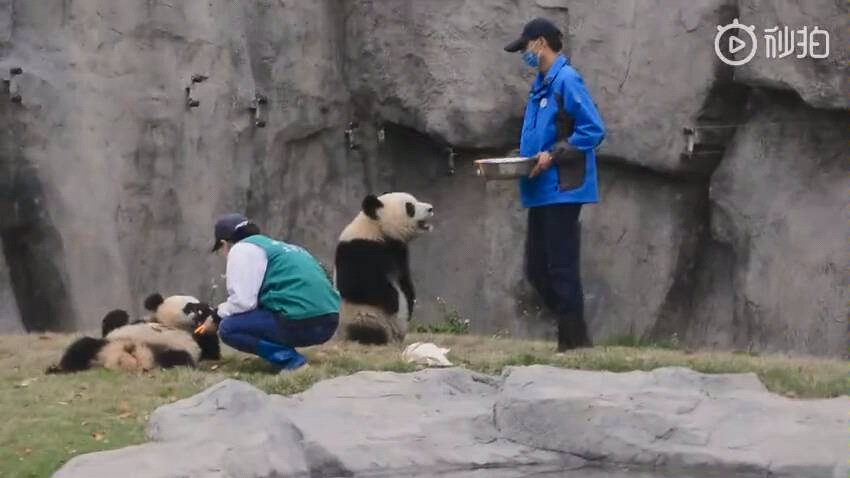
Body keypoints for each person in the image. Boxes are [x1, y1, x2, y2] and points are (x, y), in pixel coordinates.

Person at [503, 18, 606, 352]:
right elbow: (539, 136)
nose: (525, 55)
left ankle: (575, 344)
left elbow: (592, 129)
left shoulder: (566, 80)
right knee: (536, 270)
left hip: (563, 187)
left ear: (541, 43)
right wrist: (521, 158)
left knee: (560, 268)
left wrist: (553, 155)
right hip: (539, 191)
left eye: (525, 47)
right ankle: (572, 335)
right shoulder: (541, 85)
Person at [210, 212, 340, 373]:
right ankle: (285, 355)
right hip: (329, 322)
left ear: (224, 244)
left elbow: (243, 303)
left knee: (229, 328)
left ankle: (293, 362)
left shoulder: (241, 249)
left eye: (219, 251)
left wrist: (217, 315)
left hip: (304, 323)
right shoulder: (281, 247)